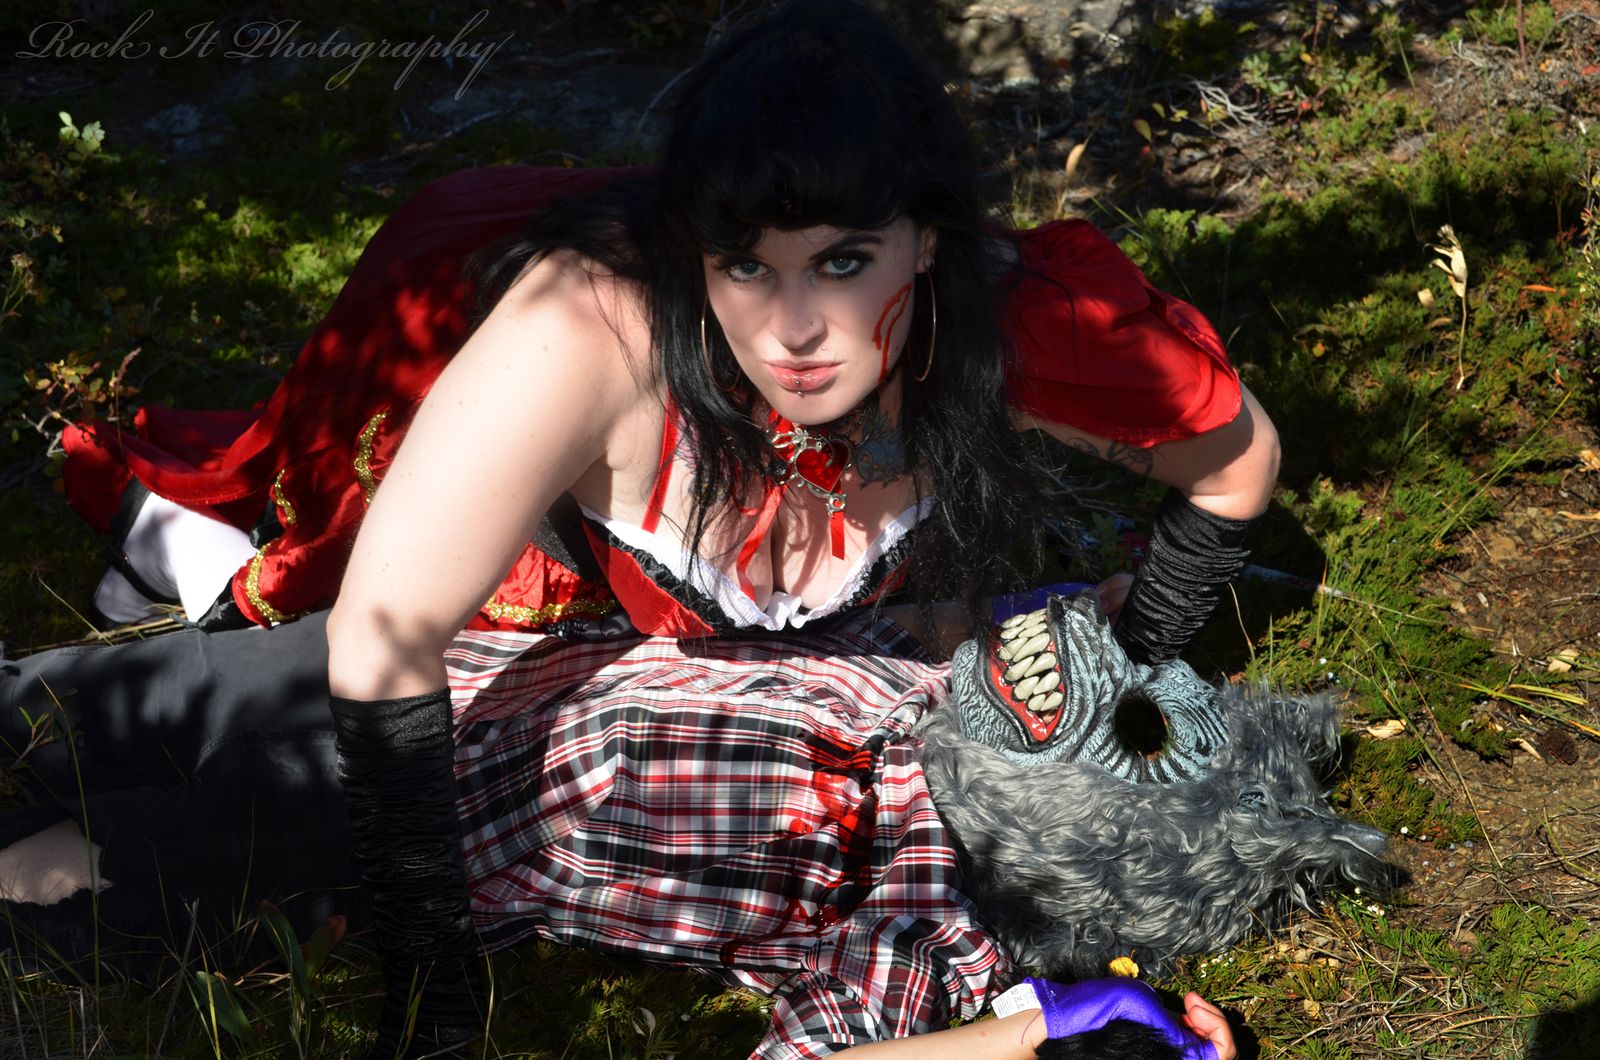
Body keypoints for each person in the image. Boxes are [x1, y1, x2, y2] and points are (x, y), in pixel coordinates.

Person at [44, 0, 1291, 1054]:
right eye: (746, 265)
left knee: (169, 838)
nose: (794, 331)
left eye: (843, 261)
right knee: (183, 715)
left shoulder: (1001, 331)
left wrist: (1136, 665)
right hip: (494, 595)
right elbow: (383, 636)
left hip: (640, 712)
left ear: (925, 240)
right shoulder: (591, 331)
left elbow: (1237, 464)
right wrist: (433, 984)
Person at [0, 590, 1387, 1058]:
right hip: (394, 672)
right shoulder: (934, 688)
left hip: (370, 840)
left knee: (62, 876)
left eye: (1130, 723)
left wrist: (1033, 1029)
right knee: (57, 705)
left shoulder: (929, 933)